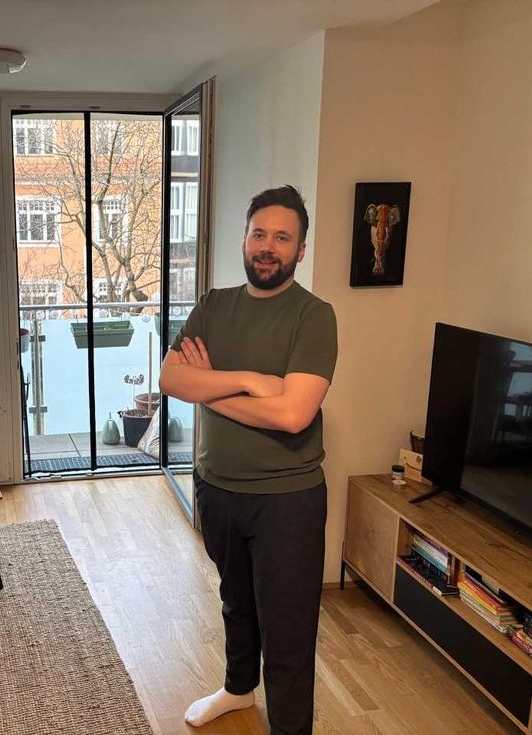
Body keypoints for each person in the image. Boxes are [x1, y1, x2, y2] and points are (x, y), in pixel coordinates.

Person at [159, 185, 337, 735]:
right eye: (259, 233)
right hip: (217, 487)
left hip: (288, 500)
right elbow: (170, 378)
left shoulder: (314, 316)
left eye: (282, 237)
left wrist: (208, 388)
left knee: (287, 633)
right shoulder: (214, 305)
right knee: (235, 602)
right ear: (245, 239)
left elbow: (293, 416)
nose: (268, 246)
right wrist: (251, 382)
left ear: (300, 250)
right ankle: (238, 689)